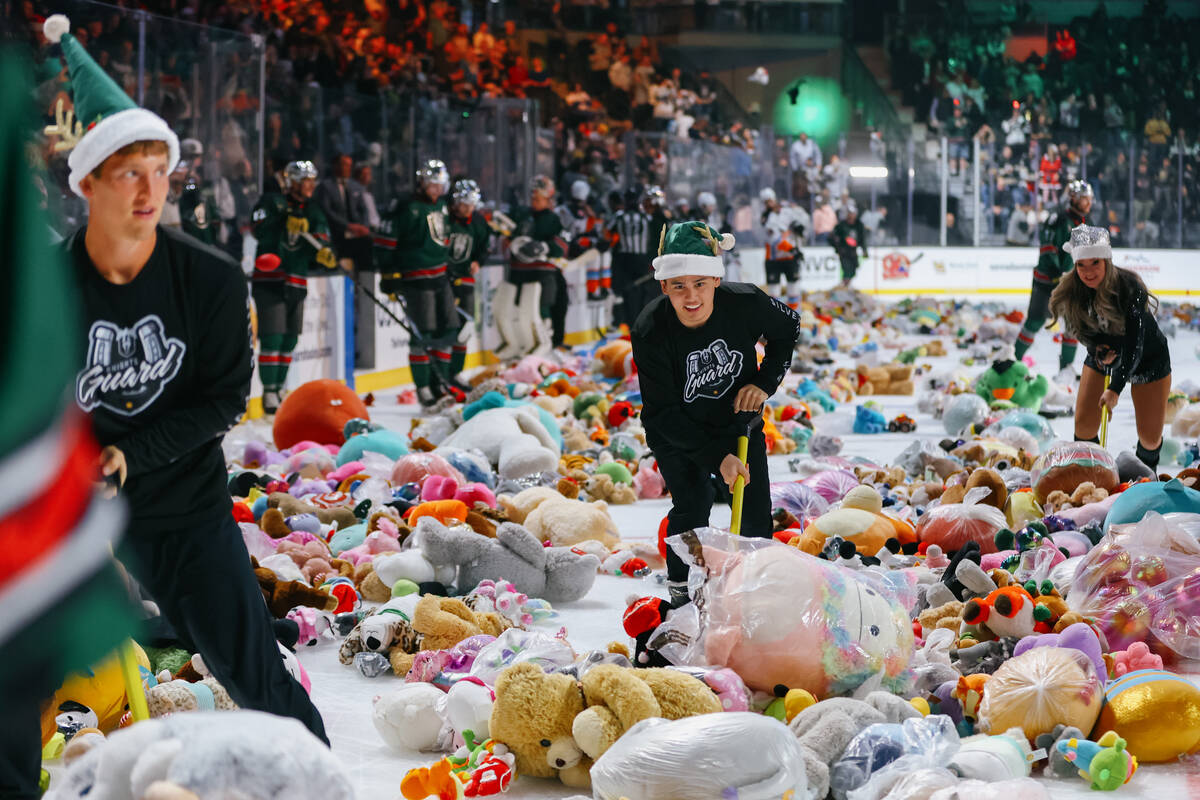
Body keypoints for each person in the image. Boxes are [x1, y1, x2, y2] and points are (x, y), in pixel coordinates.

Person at [42, 23, 329, 792]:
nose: (147, 188)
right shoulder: (46, 289)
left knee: (250, 669)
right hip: (71, 513)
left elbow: (223, 398)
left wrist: (131, 454)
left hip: (182, 504)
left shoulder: (206, 278)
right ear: (88, 184)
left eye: (157, 170)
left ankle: (317, 781)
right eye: (126, 171)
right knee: (25, 673)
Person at [632, 221, 802, 605]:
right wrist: (716, 458)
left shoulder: (746, 302)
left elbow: (788, 328)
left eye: (700, 284)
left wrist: (763, 383)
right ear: (663, 286)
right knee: (693, 502)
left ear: (716, 281)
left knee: (756, 510)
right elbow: (662, 413)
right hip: (677, 430)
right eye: (678, 286)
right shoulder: (650, 328)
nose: (690, 296)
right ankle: (681, 591)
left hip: (737, 422)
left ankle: (755, 589)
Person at [1049, 225, 1171, 472]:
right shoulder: (1074, 289)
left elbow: (1134, 344)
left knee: (1149, 438)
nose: (1088, 272)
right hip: (1105, 355)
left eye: (1095, 262)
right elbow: (1082, 331)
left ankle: (1144, 481)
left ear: (1107, 260)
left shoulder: (1129, 287)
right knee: (1084, 427)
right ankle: (1091, 478)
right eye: (1081, 264)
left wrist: (1115, 389)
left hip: (1148, 358)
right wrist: (1097, 349)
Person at [250, 161, 339, 414]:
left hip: (297, 280)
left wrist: (325, 255)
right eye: (305, 180)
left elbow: (322, 241)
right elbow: (258, 229)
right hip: (271, 280)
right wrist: (281, 221)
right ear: (292, 182)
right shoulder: (271, 202)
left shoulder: (314, 210)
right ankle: (269, 392)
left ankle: (279, 388)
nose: (310, 186)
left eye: (313, 180)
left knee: (289, 339)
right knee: (273, 337)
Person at [375, 159, 457, 408]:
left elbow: (443, 239)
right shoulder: (405, 207)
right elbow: (386, 242)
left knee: (447, 330)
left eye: (439, 185)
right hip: (416, 278)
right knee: (424, 334)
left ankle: (440, 383)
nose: (436, 189)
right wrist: (389, 273)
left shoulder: (442, 206)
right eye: (432, 184)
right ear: (421, 183)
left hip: (441, 278)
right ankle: (423, 388)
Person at [1013, 179, 1092, 382]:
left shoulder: (1083, 225)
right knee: (1035, 321)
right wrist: (1059, 274)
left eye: (1089, 199)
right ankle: (1013, 362)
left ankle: (1065, 370)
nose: (1088, 203)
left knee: (1073, 325)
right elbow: (1048, 249)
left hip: (1069, 283)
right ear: (1073, 199)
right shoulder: (1058, 219)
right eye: (1084, 199)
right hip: (1048, 282)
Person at [503, 175, 570, 355]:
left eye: (539, 198)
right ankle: (525, 348)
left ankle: (549, 347)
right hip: (520, 273)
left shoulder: (554, 219)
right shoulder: (520, 214)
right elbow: (505, 233)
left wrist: (544, 246)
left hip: (543, 274)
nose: (534, 201)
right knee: (521, 312)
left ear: (548, 199)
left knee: (548, 308)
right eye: (533, 197)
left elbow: (562, 245)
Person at [445, 178, 490, 388]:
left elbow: (485, 247)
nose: (467, 209)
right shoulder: (444, 218)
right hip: (443, 279)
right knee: (445, 327)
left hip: (466, 280)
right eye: (463, 205)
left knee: (465, 328)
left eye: (471, 205)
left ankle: (455, 373)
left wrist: (477, 261)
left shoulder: (478, 222)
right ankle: (441, 373)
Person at [606, 186, 652, 329]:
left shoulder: (619, 216)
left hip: (624, 258)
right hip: (641, 258)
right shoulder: (646, 217)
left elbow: (606, 233)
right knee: (639, 290)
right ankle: (638, 321)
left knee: (626, 290)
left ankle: (625, 320)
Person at [760, 187, 808, 307]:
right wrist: (793, 249)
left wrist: (800, 229)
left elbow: (802, 224)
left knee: (793, 289)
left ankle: (794, 318)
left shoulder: (787, 211)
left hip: (790, 258)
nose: (770, 204)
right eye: (766, 202)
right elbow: (775, 241)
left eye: (770, 200)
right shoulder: (766, 218)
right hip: (773, 259)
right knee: (774, 293)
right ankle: (776, 320)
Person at [830, 202, 867, 288]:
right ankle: (844, 286)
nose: (851, 216)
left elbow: (862, 239)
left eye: (853, 214)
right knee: (846, 269)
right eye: (849, 214)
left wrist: (864, 250)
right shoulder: (841, 225)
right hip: (844, 252)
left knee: (853, 270)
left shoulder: (859, 225)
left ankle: (846, 285)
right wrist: (838, 248)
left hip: (853, 252)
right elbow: (832, 237)